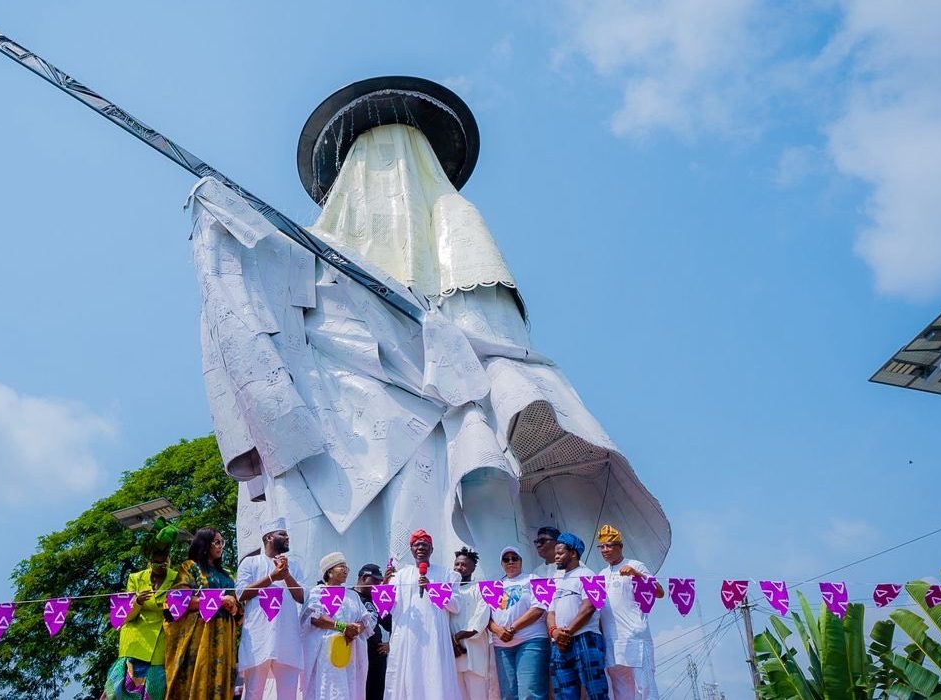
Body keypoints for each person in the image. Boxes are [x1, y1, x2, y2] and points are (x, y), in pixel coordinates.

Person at [191, 77, 672, 583]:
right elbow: (262, 298)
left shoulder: (450, 220)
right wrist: (222, 216)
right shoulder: (312, 251)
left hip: (435, 414)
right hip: (339, 416)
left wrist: (437, 340)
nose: (384, 181)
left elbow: (491, 333)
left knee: (437, 530)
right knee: (337, 550)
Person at [382, 529, 462, 699]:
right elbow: (386, 608)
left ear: (432, 549)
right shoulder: (400, 576)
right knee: (410, 677)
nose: (420, 548)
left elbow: (455, 606)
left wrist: (432, 589)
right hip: (408, 638)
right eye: (416, 545)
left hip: (435, 638)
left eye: (425, 545)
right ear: (411, 549)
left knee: (436, 677)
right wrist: (384, 584)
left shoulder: (446, 574)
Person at [164, 527, 242, 700]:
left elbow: (238, 608)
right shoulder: (190, 567)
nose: (221, 546)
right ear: (205, 544)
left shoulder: (228, 574)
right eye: (217, 542)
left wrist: (234, 608)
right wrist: (218, 600)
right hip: (200, 634)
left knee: (222, 682)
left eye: (222, 542)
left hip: (225, 635)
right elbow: (177, 600)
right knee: (199, 677)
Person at [104, 524, 178, 700]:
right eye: (156, 562)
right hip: (135, 642)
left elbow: (180, 611)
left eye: (164, 561)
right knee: (120, 693)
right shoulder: (135, 578)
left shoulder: (177, 578)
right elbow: (125, 616)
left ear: (168, 558)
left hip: (161, 643)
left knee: (155, 691)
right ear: (150, 561)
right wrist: (137, 602)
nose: (160, 565)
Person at [236, 518, 306, 699]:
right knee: (253, 692)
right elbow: (241, 594)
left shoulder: (294, 566)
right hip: (259, 637)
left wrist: (286, 575)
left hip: (287, 639)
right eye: (282, 534)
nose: (287, 537)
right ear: (268, 537)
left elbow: (301, 597)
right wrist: (271, 577)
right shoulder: (250, 563)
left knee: (288, 695)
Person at [300, 552, 378, 698]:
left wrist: (357, 628)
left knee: (349, 689)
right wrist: (343, 627)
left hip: (350, 651)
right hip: (325, 653)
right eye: (341, 567)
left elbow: (365, 619)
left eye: (346, 568)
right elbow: (314, 617)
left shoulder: (352, 595)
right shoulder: (317, 592)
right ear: (329, 572)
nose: (345, 571)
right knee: (327, 689)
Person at [596, 525, 661, 699]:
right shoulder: (601, 574)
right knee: (620, 692)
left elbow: (659, 592)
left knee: (645, 688)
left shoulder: (635, 565)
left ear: (620, 546)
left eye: (609, 545)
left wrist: (637, 574)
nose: (605, 550)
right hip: (611, 641)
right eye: (602, 546)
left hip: (635, 637)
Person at [546, 533, 608, 700]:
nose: (556, 557)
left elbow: (589, 607)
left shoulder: (589, 574)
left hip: (585, 638)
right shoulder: (556, 579)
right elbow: (550, 612)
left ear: (573, 553)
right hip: (559, 643)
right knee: (563, 694)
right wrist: (554, 632)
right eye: (556, 553)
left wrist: (566, 633)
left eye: (560, 553)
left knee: (596, 692)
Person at [488, 546, 550, 700]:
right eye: (506, 559)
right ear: (501, 564)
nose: (510, 562)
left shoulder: (535, 578)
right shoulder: (494, 585)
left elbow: (539, 608)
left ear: (521, 561)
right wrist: (498, 630)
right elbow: (486, 617)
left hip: (531, 641)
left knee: (530, 692)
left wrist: (512, 628)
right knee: (508, 694)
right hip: (502, 645)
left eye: (514, 558)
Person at [450, 547, 495, 699]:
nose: (459, 568)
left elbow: (481, 617)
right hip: (454, 652)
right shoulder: (448, 591)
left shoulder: (480, 588)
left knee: (478, 694)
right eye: (456, 564)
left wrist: (461, 636)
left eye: (463, 565)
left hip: (475, 652)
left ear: (473, 568)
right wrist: (451, 640)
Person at [354, 563, 391, 700]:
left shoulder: (378, 599)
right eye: (375, 581)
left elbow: (393, 625)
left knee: (376, 694)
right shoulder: (348, 596)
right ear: (364, 577)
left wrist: (390, 644)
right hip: (354, 654)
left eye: (380, 582)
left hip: (375, 655)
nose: (378, 585)